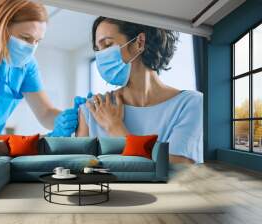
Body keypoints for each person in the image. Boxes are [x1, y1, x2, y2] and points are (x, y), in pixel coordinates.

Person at [76, 17, 203, 164]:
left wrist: (116, 128)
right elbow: (81, 173)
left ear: (139, 42)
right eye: (98, 50)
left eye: (107, 44)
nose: (101, 57)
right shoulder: (92, 109)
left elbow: (176, 171)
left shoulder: (190, 104)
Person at [0, 0, 86, 136]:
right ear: (0, 26)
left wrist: (69, 118)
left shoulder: (27, 65)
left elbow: (45, 113)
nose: (31, 48)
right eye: (25, 38)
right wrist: (41, 143)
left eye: (37, 41)